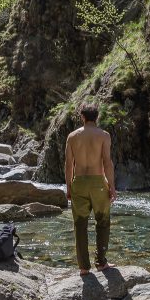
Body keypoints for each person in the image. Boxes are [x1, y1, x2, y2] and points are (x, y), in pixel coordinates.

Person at [65, 102, 117, 276]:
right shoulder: (104, 135)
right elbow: (107, 163)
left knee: (80, 224)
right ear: (97, 117)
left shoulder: (72, 136)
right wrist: (111, 186)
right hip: (98, 183)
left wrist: (69, 186)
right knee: (102, 221)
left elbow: (68, 165)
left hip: (78, 181)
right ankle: (101, 263)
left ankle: (83, 267)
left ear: (82, 117)